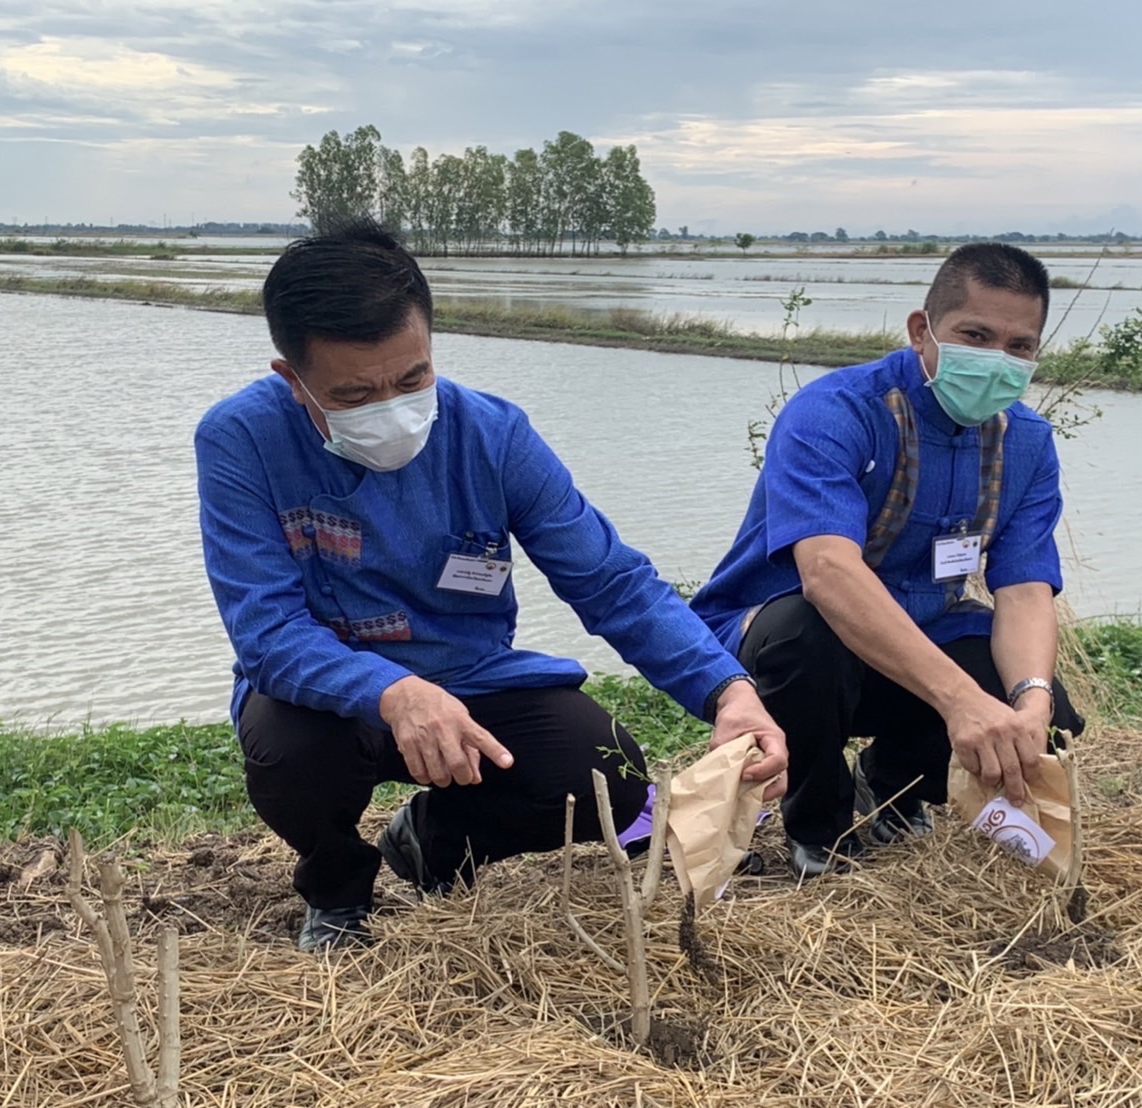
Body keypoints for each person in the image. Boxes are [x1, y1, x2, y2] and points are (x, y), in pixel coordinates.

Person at [194, 222, 787, 951]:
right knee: (288, 751)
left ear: (432, 349)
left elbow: (611, 583)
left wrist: (728, 691)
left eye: (412, 379)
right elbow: (267, 631)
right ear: (293, 379)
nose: (391, 406)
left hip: (472, 677)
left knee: (610, 773)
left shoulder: (493, 436)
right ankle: (338, 888)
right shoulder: (239, 439)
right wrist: (394, 692)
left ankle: (433, 841)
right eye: (354, 394)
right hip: (328, 697)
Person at [690, 243, 1084, 878]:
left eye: (1019, 346)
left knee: (1040, 710)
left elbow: (1025, 589)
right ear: (921, 330)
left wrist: (1030, 702)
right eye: (975, 335)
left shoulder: (1028, 444)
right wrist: (960, 700)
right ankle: (819, 830)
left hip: (920, 635)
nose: (996, 361)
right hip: (782, 642)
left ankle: (895, 785)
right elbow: (827, 572)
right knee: (806, 635)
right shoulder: (836, 412)